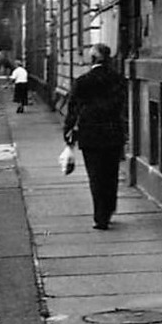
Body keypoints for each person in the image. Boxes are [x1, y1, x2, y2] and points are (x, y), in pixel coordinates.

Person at [63, 44, 129, 230]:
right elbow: (123, 106)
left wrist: (69, 135)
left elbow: (73, 110)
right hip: (113, 133)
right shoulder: (118, 80)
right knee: (111, 173)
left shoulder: (83, 81)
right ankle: (109, 209)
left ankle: (101, 217)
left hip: (90, 135)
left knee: (96, 176)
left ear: (92, 60)